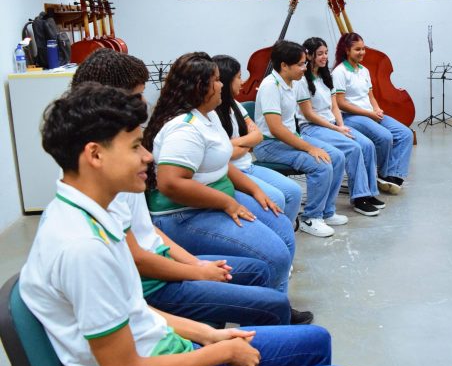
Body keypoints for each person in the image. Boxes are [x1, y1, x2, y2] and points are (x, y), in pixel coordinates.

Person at [20, 83, 363, 366]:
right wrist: (218, 353)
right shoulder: (82, 248)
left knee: (315, 340)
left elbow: (133, 311)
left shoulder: (90, 212)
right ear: (95, 155)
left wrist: (208, 336)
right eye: (135, 146)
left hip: (169, 352)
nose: (149, 157)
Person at [72, 48, 305, 325]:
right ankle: (264, 321)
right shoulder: (105, 179)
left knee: (276, 237)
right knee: (272, 259)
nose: (149, 158)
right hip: (174, 240)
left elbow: (146, 232)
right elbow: (139, 249)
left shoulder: (117, 168)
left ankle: (265, 316)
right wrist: (197, 269)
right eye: (136, 96)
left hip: (170, 243)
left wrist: (249, 192)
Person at [142, 53, 296, 298]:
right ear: (200, 87)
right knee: (274, 254)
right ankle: (270, 310)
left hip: (215, 199)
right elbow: (170, 183)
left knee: (282, 227)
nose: (222, 84)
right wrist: (227, 202)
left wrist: (256, 191)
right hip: (184, 213)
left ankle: (276, 303)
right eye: (216, 80)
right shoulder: (184, 127)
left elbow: (221, 164)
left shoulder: (209, 114)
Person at [253, 41, 346, 238]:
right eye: (301, 64)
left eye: (305, 63)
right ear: (284, 65)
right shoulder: (271, 86)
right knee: (321, 164)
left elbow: (301, 116)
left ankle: (326, 212)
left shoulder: (294, 83)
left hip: (290, 138)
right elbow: (276, 129)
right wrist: (309, 148)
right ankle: (310, 218)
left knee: (337, 157)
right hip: (269, 145)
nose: (305, 68)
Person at [212, 54, 303, 224]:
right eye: (239, 78)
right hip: (232, 173)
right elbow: (224, 154)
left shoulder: (235, 105)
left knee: (294, 191)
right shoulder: (212, 112)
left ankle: (285, 232)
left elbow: (258, 135)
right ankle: (276, 235)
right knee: (277, 198)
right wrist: (246, 142)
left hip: (247, 165)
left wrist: (235, 144)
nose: (243, 82)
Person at [298, 37, 384, 217]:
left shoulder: (325, 76)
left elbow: (335, 106)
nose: (324, 57)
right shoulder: (302, 80)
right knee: (353, 148)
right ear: (309, 55)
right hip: (313, 127)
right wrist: (337, 130)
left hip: (332, 125)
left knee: (366, 144)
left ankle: (369, 192)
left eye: (326, 53)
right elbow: (309, 114)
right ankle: (359, 198)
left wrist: (341, 125)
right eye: (320, 54)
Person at [332, 32, 413, 195]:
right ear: (347, 50)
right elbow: (340, 103)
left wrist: (376, 109)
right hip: (350, 116)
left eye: (363, 49)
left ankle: (393, 175)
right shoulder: (339, 72)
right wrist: (369, 114)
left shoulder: (364, 70)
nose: (362, 52)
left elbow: (370, 96)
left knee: (405, 134)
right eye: (357, 49)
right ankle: (383, 174)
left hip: (369, 113)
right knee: (384, 136)